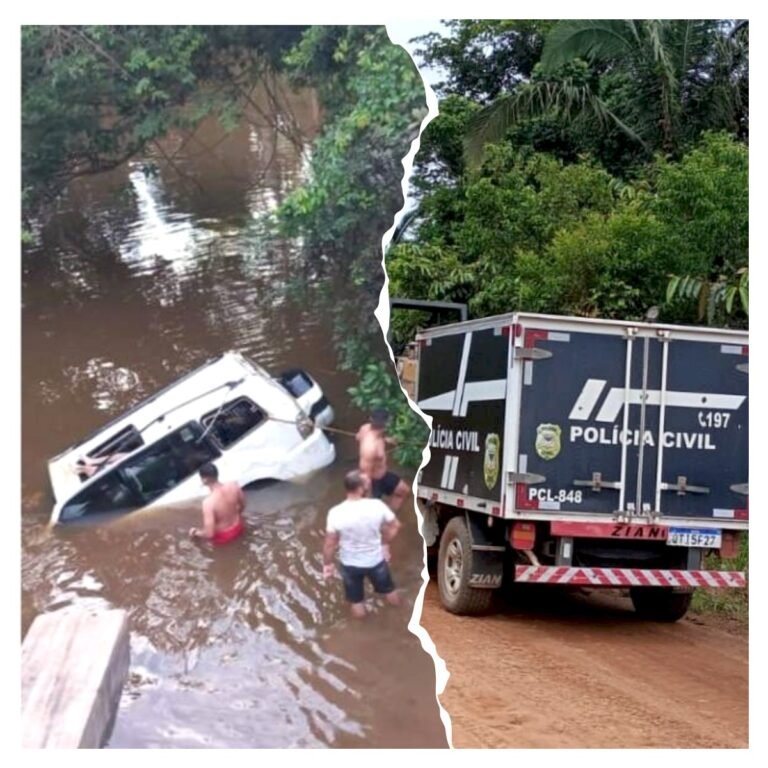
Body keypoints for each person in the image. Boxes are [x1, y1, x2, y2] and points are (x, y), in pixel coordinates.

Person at [323, 470, 402, 619]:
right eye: (366, 484)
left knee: (356, 601)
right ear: (360, 489)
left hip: (350, 565)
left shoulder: (335, 512)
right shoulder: (377, 506)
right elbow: (395, 526)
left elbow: (329, 544)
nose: (369, 486)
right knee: (390, 592)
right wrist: (384, 544)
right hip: (376, 561)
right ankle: (401, 618)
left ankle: (362, 632)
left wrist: (328, 564)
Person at [356, 408, 410, 512]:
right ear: (387, 423)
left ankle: (389, 514)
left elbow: (358, 437)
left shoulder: (365, 428)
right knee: (372, 512)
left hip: (383, 475)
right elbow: (365, 474)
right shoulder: (370, 448)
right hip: (373, 482)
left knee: (403, 491)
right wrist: (368, 497)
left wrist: (386, 439)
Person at [189, 462, 246, 545]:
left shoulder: (208, 503)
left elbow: (209, 534)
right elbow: (243, 505)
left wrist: (195, 532)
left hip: (224, 537)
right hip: (239, 527)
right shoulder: (234, 485)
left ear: (204, 480)